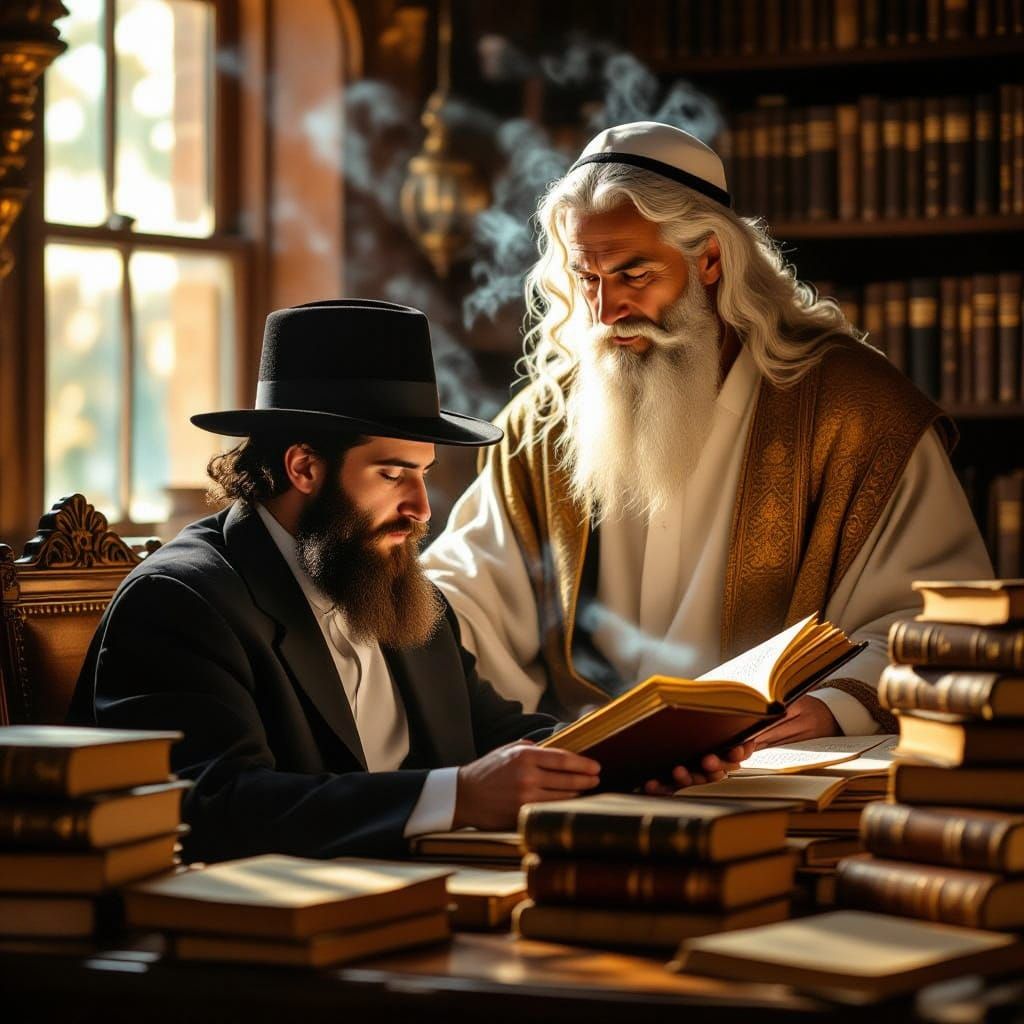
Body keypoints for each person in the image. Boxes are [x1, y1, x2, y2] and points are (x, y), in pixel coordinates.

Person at [423, 121, 992, 751]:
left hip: (778, 758)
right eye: (589, 280)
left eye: (634, 275)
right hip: (586, 762)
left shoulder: (853, 409)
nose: (606, 311)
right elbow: (468, 599)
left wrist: (835, 705)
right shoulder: (545, 423)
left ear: (711, 259)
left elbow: (935, 618)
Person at [68, 300, 605, 863]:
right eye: (393, 474)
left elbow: (497, 734)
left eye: (422, 474)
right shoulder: (179, 603)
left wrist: (631, 757)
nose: (422, 508)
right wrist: (458, 797)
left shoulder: (405, 594)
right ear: (303, 468)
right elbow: (212, 807)